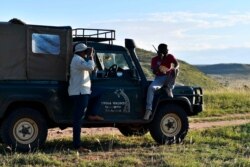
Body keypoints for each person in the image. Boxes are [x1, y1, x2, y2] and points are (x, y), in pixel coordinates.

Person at [68, 43, 104, 150]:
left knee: (99, 92)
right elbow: (91, 67)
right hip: (80, 93)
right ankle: (77, 145)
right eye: (85, 51)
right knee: (78, 119)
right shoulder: (77, 60)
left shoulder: (79, 59)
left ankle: (92, 114)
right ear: (80, 52)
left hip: (84, 91)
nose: (86, 53)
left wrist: (88, 56)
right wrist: (91, 56)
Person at [144, 43, 179, 120]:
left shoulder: (170, 56)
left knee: (176, 70)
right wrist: (159, 68)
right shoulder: (154, 59)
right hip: (159, 78)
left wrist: (172, 69)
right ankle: (148, 110)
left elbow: (177, 64)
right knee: (151, 88)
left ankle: (169, 87)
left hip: (169, 77)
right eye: (166, 49)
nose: (167, 50)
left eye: (167, 49)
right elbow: (154, 71)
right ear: (160, 51)